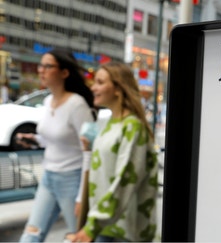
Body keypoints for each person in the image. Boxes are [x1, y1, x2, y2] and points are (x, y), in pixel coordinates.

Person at [71, 62, 158, 242]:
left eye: (100, 82)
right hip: (108, 226)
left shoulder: (133, 126)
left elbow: (126, 178)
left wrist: (93, 225)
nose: (93, 87)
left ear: (118, 88)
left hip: (124, 231)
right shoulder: (110, 122)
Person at [18, 48, 95, 242]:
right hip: (48, 178)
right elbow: (53, 139)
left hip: (72, 179)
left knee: (77, 237)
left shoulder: (77, 105)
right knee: (30, 236)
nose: (41, 70)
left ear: (64, 73)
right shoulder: (47, 100)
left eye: (47, 66)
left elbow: (89, 150)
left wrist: (81, 197)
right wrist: (34, 139)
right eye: (40, 65)